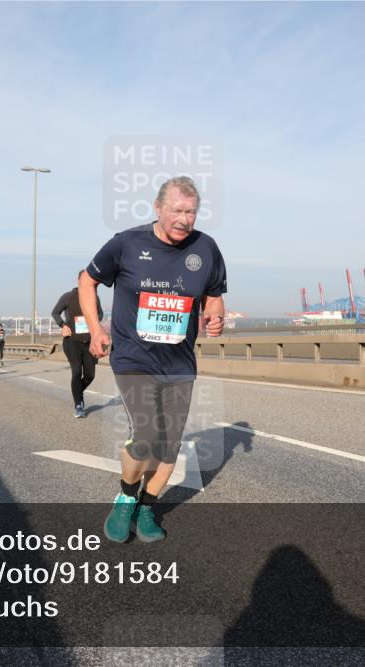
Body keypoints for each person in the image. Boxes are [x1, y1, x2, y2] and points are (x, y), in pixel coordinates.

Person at [80, 176, 226, 544]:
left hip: (179, 364)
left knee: (169, 445)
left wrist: (215, 316)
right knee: (145, 436)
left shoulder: (206, 249)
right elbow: (86, 280)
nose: (184, 219)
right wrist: (97, 330)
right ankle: (126, 496)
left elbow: (214, 295)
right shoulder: (127, 244)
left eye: (191, 212)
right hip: (133, 357)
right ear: (158, 208)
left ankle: (147, 506)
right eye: (177, 210)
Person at [52, 272, 105, 418]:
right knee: (76, 373)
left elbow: (100, 314)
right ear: (79, 280)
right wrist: (62, 325)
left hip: (89, 341)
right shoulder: (68, 296)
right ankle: (78, 405)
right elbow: (55, 312)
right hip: (72, 341)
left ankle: (77, 392)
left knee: (90, 375)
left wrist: (91, 319)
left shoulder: (95, 297)